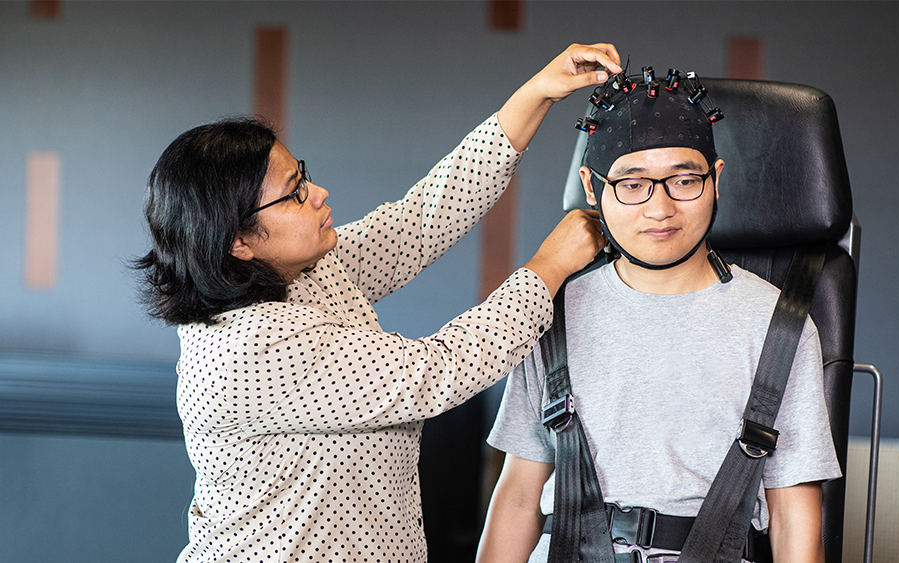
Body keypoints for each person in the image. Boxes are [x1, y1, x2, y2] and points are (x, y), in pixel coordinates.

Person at [133, 44, 622, 563]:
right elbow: (437, 370)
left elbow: (423, 219)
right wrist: (548, 267)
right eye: (294, 193)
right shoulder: (248, 345)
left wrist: (537, 93)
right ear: (238, 242)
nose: (318, 193)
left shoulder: (304, 268)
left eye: (302, 174)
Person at [477, 66, 842, 563]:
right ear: (592, 186)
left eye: (684, 180)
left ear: (715, 179)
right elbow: (519, 493)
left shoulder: (776, 323)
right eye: (632, 185)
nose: (660, 208)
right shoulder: (553, 310)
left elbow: (794, 514)